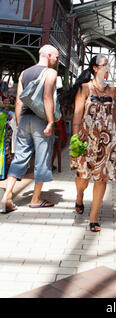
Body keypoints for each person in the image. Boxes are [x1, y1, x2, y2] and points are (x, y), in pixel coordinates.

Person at [1, 45, 59, 213]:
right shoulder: (50, 73)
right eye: (55, 56)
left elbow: (19, 101)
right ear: (48, 55)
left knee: (19, 158)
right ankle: (35, 199)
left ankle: (7, 196)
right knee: (42, 159)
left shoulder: (24, 73)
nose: (57, 60)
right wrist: (50, 121)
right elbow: (47, 96)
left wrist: (19, 123)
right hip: (41, 121)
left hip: (24, 119)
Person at [69, 54, 116, 232]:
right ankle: (79, 196)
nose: (108, 69)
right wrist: (76, 136)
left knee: (101, 178)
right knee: (83, 177)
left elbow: (115, 113)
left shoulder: (113, 90)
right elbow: (77, 112)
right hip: (86, 139)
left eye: (109, 66)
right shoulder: (84, 88)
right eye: (105, 65)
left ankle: (93, 216)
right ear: (95, 68)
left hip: (106, 141)